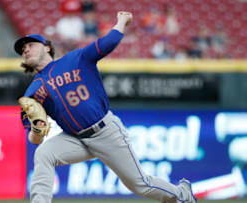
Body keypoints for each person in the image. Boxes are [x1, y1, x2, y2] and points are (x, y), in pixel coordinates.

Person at [14, 11, 197, 203]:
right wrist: (37, 130)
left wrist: (121, 21)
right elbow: (34, 139)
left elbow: (107, 43)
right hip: (74, 139)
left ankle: (182, 194)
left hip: (105, 132)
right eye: (22, 49)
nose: (25, 50)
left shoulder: (76, 59)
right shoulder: (32, 92)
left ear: (47, 47)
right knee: (44, 153)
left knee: (140, 184)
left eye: (30, 45)